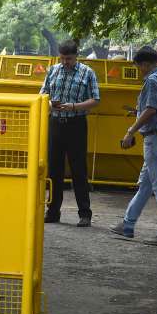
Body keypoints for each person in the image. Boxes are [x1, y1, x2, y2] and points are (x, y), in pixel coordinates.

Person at [111, 47, 157, 246]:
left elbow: (151, 109)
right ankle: (128, 223)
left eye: (139, 67)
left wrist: (131, 130)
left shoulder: (152, 80)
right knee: (146, 185)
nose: (139, 71)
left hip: (156, 139)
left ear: (145, 64)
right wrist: (138, 112)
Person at [41, 40, 100, 225]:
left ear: (76, 56)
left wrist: (74, 107)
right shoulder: (53, 70)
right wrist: (52, 104)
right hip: (56, 123)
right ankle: (53, 212)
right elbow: (43, 94)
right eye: (63, 58)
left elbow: (95, 99)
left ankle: (84, 214)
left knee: (78, 169)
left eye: (69, 59)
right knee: (54, 170)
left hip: (76, 124)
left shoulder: (87, 73)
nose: (66, 62)